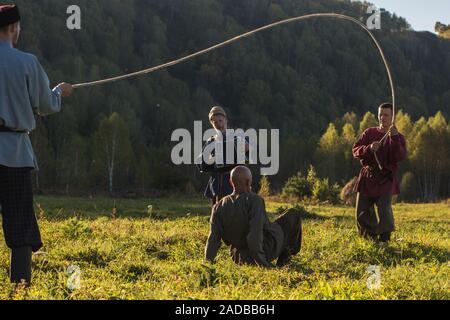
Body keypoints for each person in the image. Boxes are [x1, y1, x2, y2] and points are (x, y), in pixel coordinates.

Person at [0, 4, 73, 286]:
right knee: (19, 223)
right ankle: (20, 287)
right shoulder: (27, 62)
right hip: (15, 155)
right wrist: (60, 92)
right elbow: (46, 105)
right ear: (14, 28)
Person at [205, 166, 302, 268]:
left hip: (238, 257)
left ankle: (283, 257)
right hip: (265, 251)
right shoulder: (254, 200)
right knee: (293, 214)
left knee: (274, 225)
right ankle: (285, 258)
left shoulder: (218, 206)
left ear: (230, 182)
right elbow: (254, 237)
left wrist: (207, 264)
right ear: (248, 182)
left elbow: (213, 239)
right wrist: (264, 264)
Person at [352, 103, 407, 242]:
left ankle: (384, 239)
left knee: (384, 211)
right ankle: (369, 238)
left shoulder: (398, 137)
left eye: (386, 114)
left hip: (385, 179)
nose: (382, 117)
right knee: (362, 212)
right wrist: (369, 148)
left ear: (392, 116)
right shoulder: (369, 132)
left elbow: (399, 156)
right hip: (367, 176)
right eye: (380, 114)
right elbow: (355, 150)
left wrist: (394, 138)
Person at [197, 106, 249, 206]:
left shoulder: (239, 137)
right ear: (212, 124)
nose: (219, 124)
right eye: (215, 122)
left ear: (226, 120)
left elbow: (254, 155)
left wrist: (248, 149)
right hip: (217, 183)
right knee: (217, 214)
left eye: (220, 121)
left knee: (236, 213)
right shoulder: (210, 142)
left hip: (236, 183)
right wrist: (209, 159)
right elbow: (201, 164)